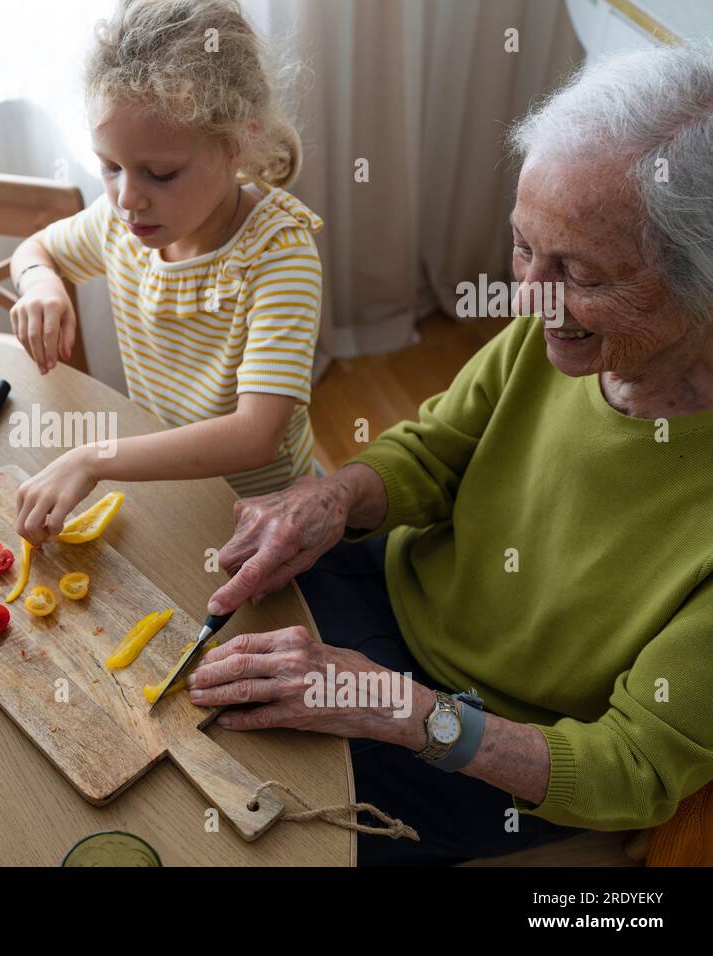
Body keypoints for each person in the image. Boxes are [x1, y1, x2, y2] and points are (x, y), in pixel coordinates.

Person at [188, 43, 713, 864]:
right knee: (191, 628)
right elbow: (436, 452)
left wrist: (395, 708)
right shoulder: (557, 336)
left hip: (493, 749)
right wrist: (338, 496)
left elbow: (634, 768)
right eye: (523, 247)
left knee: (235, 822)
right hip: (395, 595)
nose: (530, 299)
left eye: (579, 273)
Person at [7, 0, 323, 547]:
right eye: (110, 166)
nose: (127, 198)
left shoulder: (279, 254)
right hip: (166, 482)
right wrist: (40, 281)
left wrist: (92, 457)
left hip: (261, 515)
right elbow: (36, 249)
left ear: (236, 145)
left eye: (159, 173)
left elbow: (256, 437)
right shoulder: (118, 222)